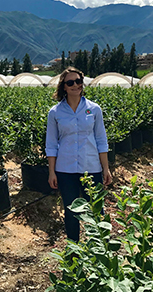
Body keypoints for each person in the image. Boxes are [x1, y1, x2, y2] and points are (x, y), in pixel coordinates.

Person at [46, 66, 112, 242]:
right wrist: (52, 172)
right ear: (64, 87)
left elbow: (101, 140)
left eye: (79, 81)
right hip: (65, 169)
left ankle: (100, 248)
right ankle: (74, 249)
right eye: (70, 82)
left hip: (91, 168)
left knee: (96, 209)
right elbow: (51, 145)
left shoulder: (94, 109)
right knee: (71, 211)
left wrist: (105, 168)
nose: (76, 85)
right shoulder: (55, 112)